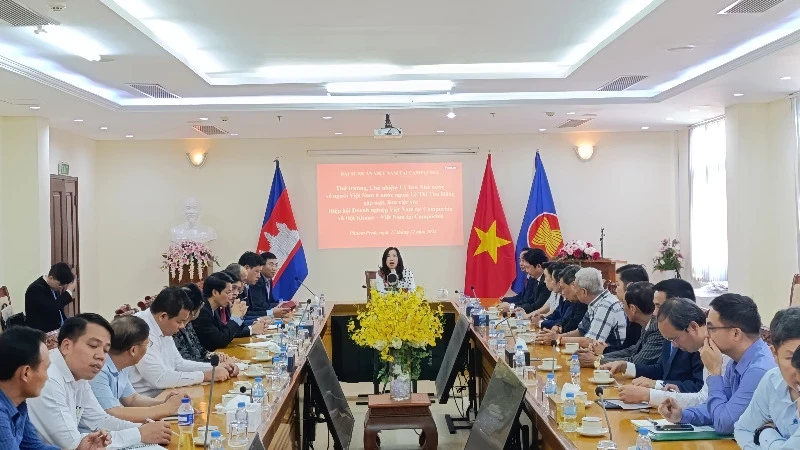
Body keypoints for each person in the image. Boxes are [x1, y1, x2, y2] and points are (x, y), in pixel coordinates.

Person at [28, 314, 172, 448]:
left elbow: (100, 420)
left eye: (105, 350)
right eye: (93, 346)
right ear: (66, 346)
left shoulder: (79, 374)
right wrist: (139, 434)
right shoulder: (49, 379)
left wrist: (143, 428)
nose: (101, 356)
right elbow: (73, 443)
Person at [659, 294, 776, 434]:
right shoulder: (735, 361)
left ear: (736, 334)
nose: (706, 335)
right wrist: (682, 415)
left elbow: (724, 424)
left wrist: (714, 372)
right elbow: (717, 408)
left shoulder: (758, 370)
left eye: (711, 328)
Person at [0, 326, 111, 450]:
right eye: (45, 369)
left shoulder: (19, 404)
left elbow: (34, 446)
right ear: (26, 373)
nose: (47, 377)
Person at [130, 287, 232, 397]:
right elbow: (159, 379)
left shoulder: (163, 326)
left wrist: (215, 368)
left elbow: (178, 364)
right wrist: (205, 375)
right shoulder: (139, 328)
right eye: (179, 321)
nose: (183, 326)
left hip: (167, 393)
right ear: (163, 316)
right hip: (147, 401)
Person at [601, 296, 704, 403]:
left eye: (658, 306)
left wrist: (653, 389)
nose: (654, 312)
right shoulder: (671, 332)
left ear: (693, 327)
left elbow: (700, 390)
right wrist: (626, 367)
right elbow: (661, 368)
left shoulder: (705, 347)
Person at [90, 315, 186, 422]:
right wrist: (165, 409)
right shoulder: (98, 369)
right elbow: (113, 413)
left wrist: (164, 403)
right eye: (147, 344)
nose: (147, 348)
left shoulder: (121, 365)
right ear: (133, 350)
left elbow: (132, 399)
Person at [734, 307, 800, 449]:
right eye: (791, 358)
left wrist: (766, 433)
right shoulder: (772, 381)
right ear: (774, 354)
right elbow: (743, 429)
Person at [579, 282, 665, 368]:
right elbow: (632, 351)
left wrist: (596, 361)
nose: (622, 307)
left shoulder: (657, 329)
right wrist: (600, 356)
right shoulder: (647, 323)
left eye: (623, 303)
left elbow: (636, 362)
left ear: (632, 308)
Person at [193, 273, 268, 351]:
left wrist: (241, 318)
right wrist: (235, 317)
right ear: (215, 292)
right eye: (228, 292)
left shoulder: (212, 308)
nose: (231, 296)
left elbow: (226, 331)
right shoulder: (202, 311)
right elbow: (220, 340)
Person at [558, 268, 627, 352]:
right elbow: (580, 331)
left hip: (611, 357)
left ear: (584, 292)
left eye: (576, 288)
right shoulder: (595, 302)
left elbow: (591, 341)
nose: (575, 292)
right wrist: (558, 337)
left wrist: (559, 339)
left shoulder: (606, 305)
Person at [173, 284, 231, 364]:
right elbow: (185, 361)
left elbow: (200, 350)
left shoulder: (189, 323)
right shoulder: (174, 327)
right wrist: (212, 364)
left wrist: (212, 356)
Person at [24, 262, 77, 333]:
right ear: (51, 278)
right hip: (42, 333)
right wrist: (69, 291)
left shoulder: (53, 287)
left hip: (57, 329)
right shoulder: (36, 289)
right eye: (60, 285)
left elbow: (59, 311)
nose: (61, 288)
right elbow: (52, 308)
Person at [500, 249, 551, 314]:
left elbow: (536, 306)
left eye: (528, 267)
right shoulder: (537, 279)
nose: (526, 271)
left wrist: (511, 307)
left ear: (538, 266)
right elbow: (530, 300)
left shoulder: (546, 282)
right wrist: (509, 304)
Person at [247, 252, 291, 319]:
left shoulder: (268, 279)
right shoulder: (256, 280)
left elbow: (270, 301)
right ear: (262, 266)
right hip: (256, 315)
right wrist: (278, 306)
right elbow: (259, 305)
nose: (274, 268)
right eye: (271, 265)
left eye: (276, 265)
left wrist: (282, 304)